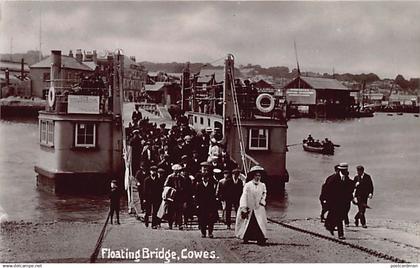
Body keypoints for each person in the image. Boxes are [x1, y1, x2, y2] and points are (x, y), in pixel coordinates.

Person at [235, 166, 267, 246]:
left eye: (259, 176)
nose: (258, 177)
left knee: (260, 222)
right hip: (249, 206)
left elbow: (264, 194)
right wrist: (244, 207)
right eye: (256, 175)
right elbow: (244, 195)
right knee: (248, 222)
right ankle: (246, 237)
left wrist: (262, 201)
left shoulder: (262, 185)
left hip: (258, 207)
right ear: (253, 176)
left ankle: (260, 238)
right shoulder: (248, 185)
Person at [323, 163, 354, 240]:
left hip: (345, 202)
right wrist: (326, 200)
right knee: (339, 218)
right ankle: (341, 234)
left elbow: (350, 189)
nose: (345, 171)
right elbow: (327, 189)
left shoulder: (347, 178)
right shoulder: (333, 178)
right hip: (335, 201)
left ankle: (330, 225)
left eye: (346, 170)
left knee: (342, 216)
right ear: (340, 170)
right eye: (343, 170)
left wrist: (351, 197)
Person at [194, 168, 219, 238]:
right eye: (204, 177)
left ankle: (210, 232)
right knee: (202, 219)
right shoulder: (199, 185)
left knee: (211, 220)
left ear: (208, 178)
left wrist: (214, 205)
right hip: (202, 205)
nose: (205, 179)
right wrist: (197, 204)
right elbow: (197, 196)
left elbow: (213, 196)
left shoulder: (211, 185)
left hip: (210, 205)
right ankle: (203, 233)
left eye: (206, 177)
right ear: (202, 178)